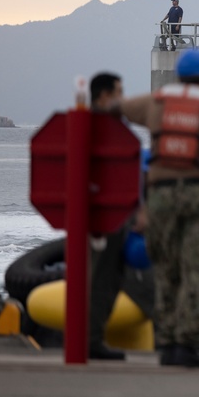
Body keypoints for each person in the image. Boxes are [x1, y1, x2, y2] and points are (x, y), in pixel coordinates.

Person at [114, 49, 199, 368]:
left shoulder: (155, 104)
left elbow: (115, 111)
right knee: (196, 268)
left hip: (161, 197)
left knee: (166, 269)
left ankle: (167, 340)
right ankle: (187, 342)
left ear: (178, 76)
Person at [87, 72, 130, 361]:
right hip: (101, 216)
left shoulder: (112, 124)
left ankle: (93, 337)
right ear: (104, 95)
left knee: (111, 277)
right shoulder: (94, 125)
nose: (122, 97)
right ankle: (90, 340)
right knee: (99, 277)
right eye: (118, 92)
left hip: (115, 212)